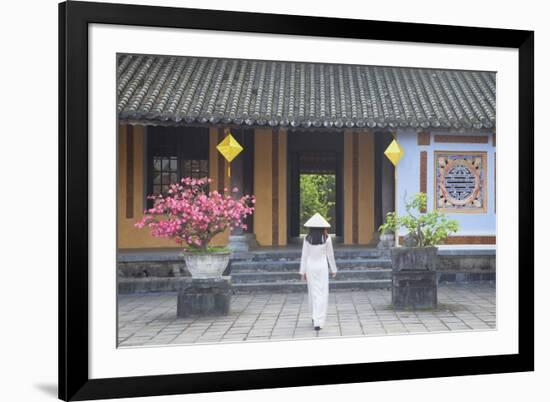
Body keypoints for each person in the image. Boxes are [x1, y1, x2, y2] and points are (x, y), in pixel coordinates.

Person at [299, 213, 338, 331]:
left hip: (311, 266)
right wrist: (334, 269)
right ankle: (319, 320)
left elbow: (304, 256)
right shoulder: (327, 238)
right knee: (322, 293)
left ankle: (314, 317)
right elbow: (330, 255)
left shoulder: (307, 238)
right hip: (322, 267)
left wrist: (303, 270)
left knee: (313, 292)